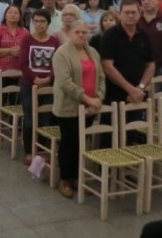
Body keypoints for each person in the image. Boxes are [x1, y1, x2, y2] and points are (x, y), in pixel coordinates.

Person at [52, 22, 105, 198]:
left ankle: (76, 176)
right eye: (77, 32)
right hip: (69, 106)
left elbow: (101, 77)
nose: (82, 35)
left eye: (85, 32)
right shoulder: (62, 53)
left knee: (82, 143)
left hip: (90, 106)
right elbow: (65, 82)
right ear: (70, 33)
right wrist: (87, 98)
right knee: (69, 143)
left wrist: (98, 98)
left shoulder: (93, 52)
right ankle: (65, 179)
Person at [15, 8, 60, 165]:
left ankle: (42, 149)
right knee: (29, 118)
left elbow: (56, 63)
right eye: (36, 21)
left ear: (48, 23)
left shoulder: (54, 41)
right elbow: (23, 63)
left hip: (48, 85)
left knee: (45, 118)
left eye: (42, 21)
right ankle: (28, 150)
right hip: (29, 84)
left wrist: (48, 78)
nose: (39, 24)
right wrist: (35, 79)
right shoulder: (27, 39)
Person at [101, 0, 154, 106]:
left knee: (140, 123)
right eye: (126, 12)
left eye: (133, 12)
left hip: (139, 94)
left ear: (140, 14)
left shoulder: (145, 35)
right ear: (119, 14)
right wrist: (130, 89)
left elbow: (151, 65)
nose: (130, 15)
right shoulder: (109, 35)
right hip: (114, 94)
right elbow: (107, 66)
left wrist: (140, 87)